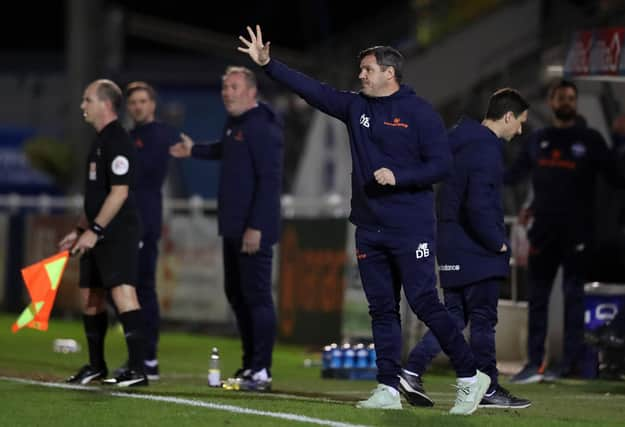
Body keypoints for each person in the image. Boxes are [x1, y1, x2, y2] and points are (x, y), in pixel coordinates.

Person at [237, 25, 490, 414]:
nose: (361, 75)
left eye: (367, 69)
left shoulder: (420, 112)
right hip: (370, 228)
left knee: (423, 302)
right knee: (382, 309)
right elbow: (314, 90)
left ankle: (471, 377)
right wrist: (269, 64)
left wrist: (399, 176)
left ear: (389, 73)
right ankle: (388, 388)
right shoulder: (356, 107)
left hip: (411, 227)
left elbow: (442, 165)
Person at [400, 89, 531, 409]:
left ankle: (412, 369)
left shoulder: (458, 137)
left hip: (449, 241)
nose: (521, 131)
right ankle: (488, 389)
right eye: (521, 122)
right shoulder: (486, 147)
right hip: (475, 247)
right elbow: (479, 203)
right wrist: (496, 242)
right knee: (483, 319)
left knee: (454, 317)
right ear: (508, 117)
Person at [169, 66, 283, 391]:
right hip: (232, 226)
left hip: (252, 229)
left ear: (251, 91)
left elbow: (270, 181)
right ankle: (250, 365)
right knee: (237, 294)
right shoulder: (237, 123)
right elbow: (226, 148)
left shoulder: (263, 124)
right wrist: (194, 150)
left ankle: (262, 370)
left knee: (258, 297)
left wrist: (257, 226)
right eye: (224, 87)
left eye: (233, 87)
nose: (227, 93)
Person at [506, 79, 625, 383]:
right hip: (542, 233)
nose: (567, 102)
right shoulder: (537, 140)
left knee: (573, 299)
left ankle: (569, 364)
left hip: (578, 234)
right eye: (561, 97)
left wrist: (621, 141)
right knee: (538, 299)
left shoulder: (590, 140)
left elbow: (615, 176)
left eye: (571, 98)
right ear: (551, 101)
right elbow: (514, 175)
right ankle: (534, 363)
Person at [59, 79, 147, 387]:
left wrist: (95, 230)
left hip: (117, 230)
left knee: (124, 292)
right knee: (91, 296)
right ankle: (96, 366)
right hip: (96, 230)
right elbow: (97, 196)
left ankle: (138, 369)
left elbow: (119, 193)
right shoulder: (98, 142)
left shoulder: (118, 141)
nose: (83, 106)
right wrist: (80, 230)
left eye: (87, 100)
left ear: (105, 104)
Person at [110, 82, 180, 381]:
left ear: (152, 104)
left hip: (144, 222)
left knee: (142, 289)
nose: (137, 106)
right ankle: (138, 356)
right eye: (133, 102)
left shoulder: (158, 135)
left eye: (142, 101)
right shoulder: (130, 136)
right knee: (125, 289)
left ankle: (148, 357)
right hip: (125, 222)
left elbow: (140, 173)